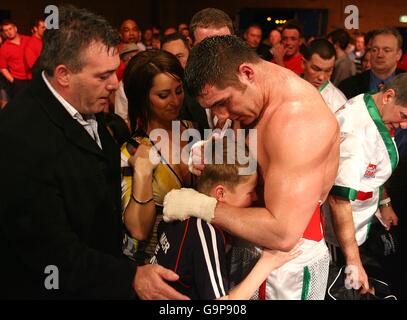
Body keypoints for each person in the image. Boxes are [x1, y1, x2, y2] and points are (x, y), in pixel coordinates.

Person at [0, 5, 187, 300]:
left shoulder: (86, 101)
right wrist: (131, 276)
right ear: (64, 74)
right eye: (104, 76)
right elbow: (50, 253)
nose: (114, 84)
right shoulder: (18, 137)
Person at [163, 35, 340, 300]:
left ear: (247, 73)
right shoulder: (253, 96)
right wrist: (215, 154)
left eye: (223, 102)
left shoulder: (298, 122)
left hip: (285, 263)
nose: (221, 115)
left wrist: (200, 204)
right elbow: (253, 164)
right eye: (213, 108)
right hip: (249, 241)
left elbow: (283, 234)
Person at [154, 137, 302, 299]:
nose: (254, 197)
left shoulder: (181, 209)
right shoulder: (204, 231)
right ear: (221, 193)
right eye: (250, 191)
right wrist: (267, 262)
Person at [322, 73, 407, 294]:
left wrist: (384, 201)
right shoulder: (357, 135)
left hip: (360, 223)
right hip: (337, 236)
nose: (405, 125)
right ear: (389, 96)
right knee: (343, 287)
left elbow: (371, 171)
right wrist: (353, 262)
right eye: (404, 115)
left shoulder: (374, 103)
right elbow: (339, 199)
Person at [121, 49, 194, 264]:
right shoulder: (132, 150)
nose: (175, 101)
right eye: (163, 95)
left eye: (179, 91)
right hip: (158, 265)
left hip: (198, 259)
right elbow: (138, 231)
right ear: (143, 99)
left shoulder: (196, 132)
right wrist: (143, 173)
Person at [338, 28, 404, 100]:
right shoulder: (348, 86)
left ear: (398, 54)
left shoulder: (404, 82)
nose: (380, 55)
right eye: (374, 50)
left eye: (386, 50)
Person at [302, 38, 347, 113]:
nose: (321, 77)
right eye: (316, 69)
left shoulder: (338, 104)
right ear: (303, 63)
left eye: (328, 71)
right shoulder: (287, 88)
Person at [0, 20, 30, 99]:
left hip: (33, 76)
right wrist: (13, 81)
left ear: (15, 28)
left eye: (10, 29)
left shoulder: (28, 40)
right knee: (22, 104)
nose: (9, 32)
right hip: (18, 81)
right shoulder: (4, 48)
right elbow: (3, 68)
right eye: (6, 30)